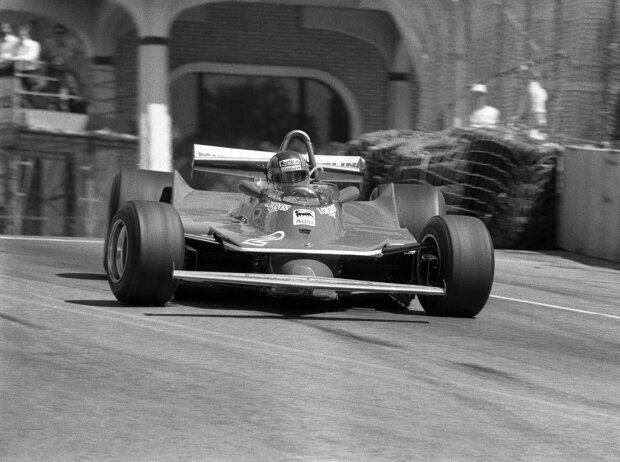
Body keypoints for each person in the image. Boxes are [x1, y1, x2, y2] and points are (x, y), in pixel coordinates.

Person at [10, 24, 41, 106]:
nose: (21, 34)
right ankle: (19, 107)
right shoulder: (16, 45)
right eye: (20, 32)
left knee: (30, 91)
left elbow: (31, 57)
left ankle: (33, 108)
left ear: (27, 32)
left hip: (30, 72)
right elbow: (12, 55)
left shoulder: (34, 44)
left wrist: (15, 58)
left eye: (23, 32)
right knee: (17, 91)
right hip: (18, 71)